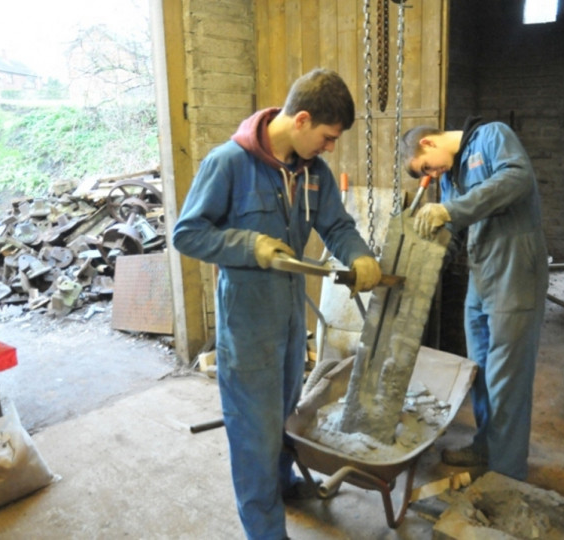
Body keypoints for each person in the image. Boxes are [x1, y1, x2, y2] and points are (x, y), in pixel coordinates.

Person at [172, 68, 382, 539]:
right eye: (327, 137)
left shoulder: (312, 174)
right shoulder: (228, 163)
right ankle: (265, 531)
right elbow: (187, 233)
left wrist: (360, 255)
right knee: (253, 435)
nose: (330, 147)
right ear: (302, 120)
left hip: (290, 322)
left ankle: (284, 486)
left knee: (286, 415)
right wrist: (250, 246)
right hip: (246, 326)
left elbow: (337, 226)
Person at [400, 117, 549, 481]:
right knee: (480, 371)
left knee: (506, 379)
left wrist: (449, 211)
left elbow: (517, 178)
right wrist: (418, 268)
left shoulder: (491, 137)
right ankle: (486, 446)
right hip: (481, 277)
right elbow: (454, 230)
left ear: (428, 144)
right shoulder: (451, 178)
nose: (430, 177)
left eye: (424, 168)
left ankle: (506, 475)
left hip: (515, 271)